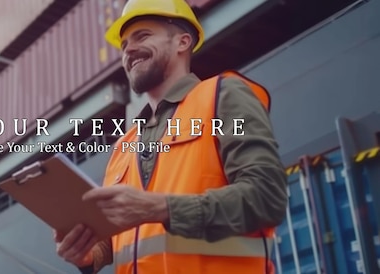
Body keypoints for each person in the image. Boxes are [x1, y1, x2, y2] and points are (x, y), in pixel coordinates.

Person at [53, 0, 288, 273]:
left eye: (143, 35)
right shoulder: (124, 146)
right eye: (124, 44)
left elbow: (267, 198)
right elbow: (122, 236)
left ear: (182, 42)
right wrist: (89, 254)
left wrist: (162, 208)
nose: (129, 49)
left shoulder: (222, 96)